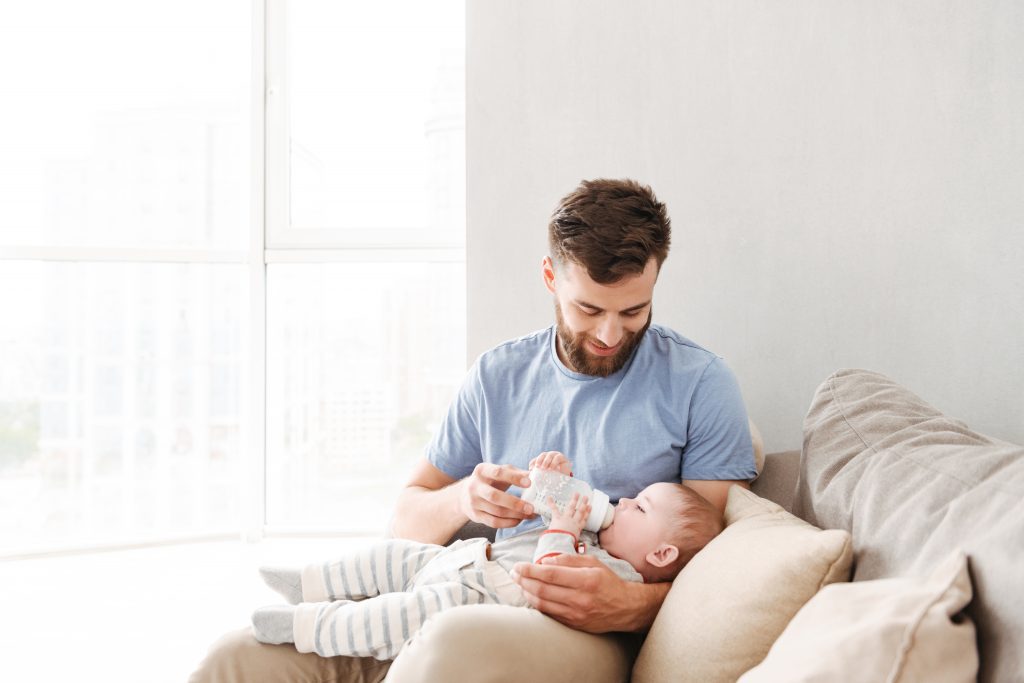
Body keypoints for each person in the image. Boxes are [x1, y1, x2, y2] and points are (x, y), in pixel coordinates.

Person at [189, 178, 756, 682]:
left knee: (447, 648)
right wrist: (465, 498)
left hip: (588, 635)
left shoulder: (700, 385)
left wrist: (629, 605)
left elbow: (708, 564)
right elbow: (406, 519)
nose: (611, 333)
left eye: (634, 312)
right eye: (589, 309)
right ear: (549, 277)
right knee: (235, 657)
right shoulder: (497, 376)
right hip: (460, 592)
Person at [247, 451, 723, 660]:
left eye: (640, 507)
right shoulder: (598, 536)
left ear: (660, 554)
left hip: (467, 598)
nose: (621, 501)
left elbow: (551, 572)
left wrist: (562, 529)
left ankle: (307, 627)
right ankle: (309, 581)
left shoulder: (619, 575)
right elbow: (539, 514)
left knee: (391, 618)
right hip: (467, 555)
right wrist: (550, 481)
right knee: (389, 555)